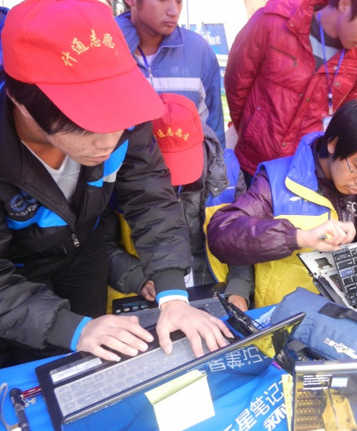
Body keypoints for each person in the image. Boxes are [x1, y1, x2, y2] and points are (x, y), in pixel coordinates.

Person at [0, 0, 232, 368]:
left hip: (85, 246)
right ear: (20, 102)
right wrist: (72, 329)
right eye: (87, 125)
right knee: (34, 361)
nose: (108, 143)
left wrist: (173, 296)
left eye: (119, 122)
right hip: (15, 267)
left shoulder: (125, 114)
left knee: (93, 354)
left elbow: (150, 196)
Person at [208, 98, 357, 308]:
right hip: (283, 313)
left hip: (348, 312)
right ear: (333, 143)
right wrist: (300, 237)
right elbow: (222, 233)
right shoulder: (276, 181)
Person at [224, 0, 357, 183]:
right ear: (344, 3)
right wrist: (250, 132)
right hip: (250, 162)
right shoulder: (272, 22)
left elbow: (343, 125)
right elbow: (236, 84)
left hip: (300, 173)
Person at [105, 93, 252, 310]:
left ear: (203, 141)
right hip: (145, 288)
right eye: (163, 167)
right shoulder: (117, 175)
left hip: (215, 283)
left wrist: (239, 287)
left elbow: (241, 237)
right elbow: (100, 244)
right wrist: (136, 278)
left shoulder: (228, 171)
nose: (176, 181)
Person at [116, 0, 226, 147]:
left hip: (188, 160)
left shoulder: (198, 51)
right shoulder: (105, 49)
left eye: (179, 1)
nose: (174, 12)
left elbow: (214, 131)